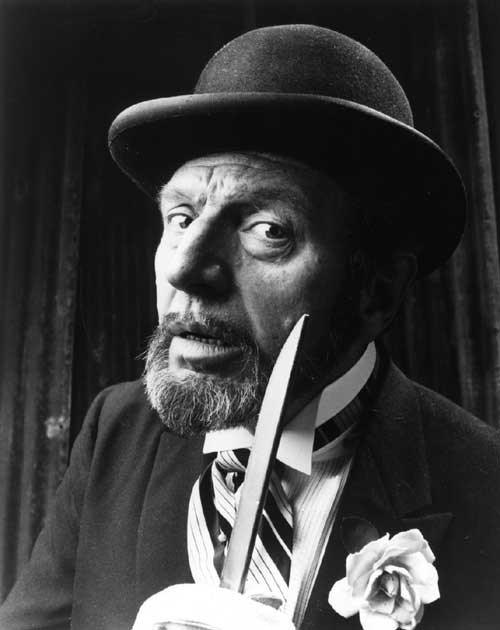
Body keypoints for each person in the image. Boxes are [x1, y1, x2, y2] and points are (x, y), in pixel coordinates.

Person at [1, 23, 499, 630]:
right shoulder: (114, 432)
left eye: (268, 230)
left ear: (378, 291)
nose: (186, 269)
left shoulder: (486, 487)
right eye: (181, 217)